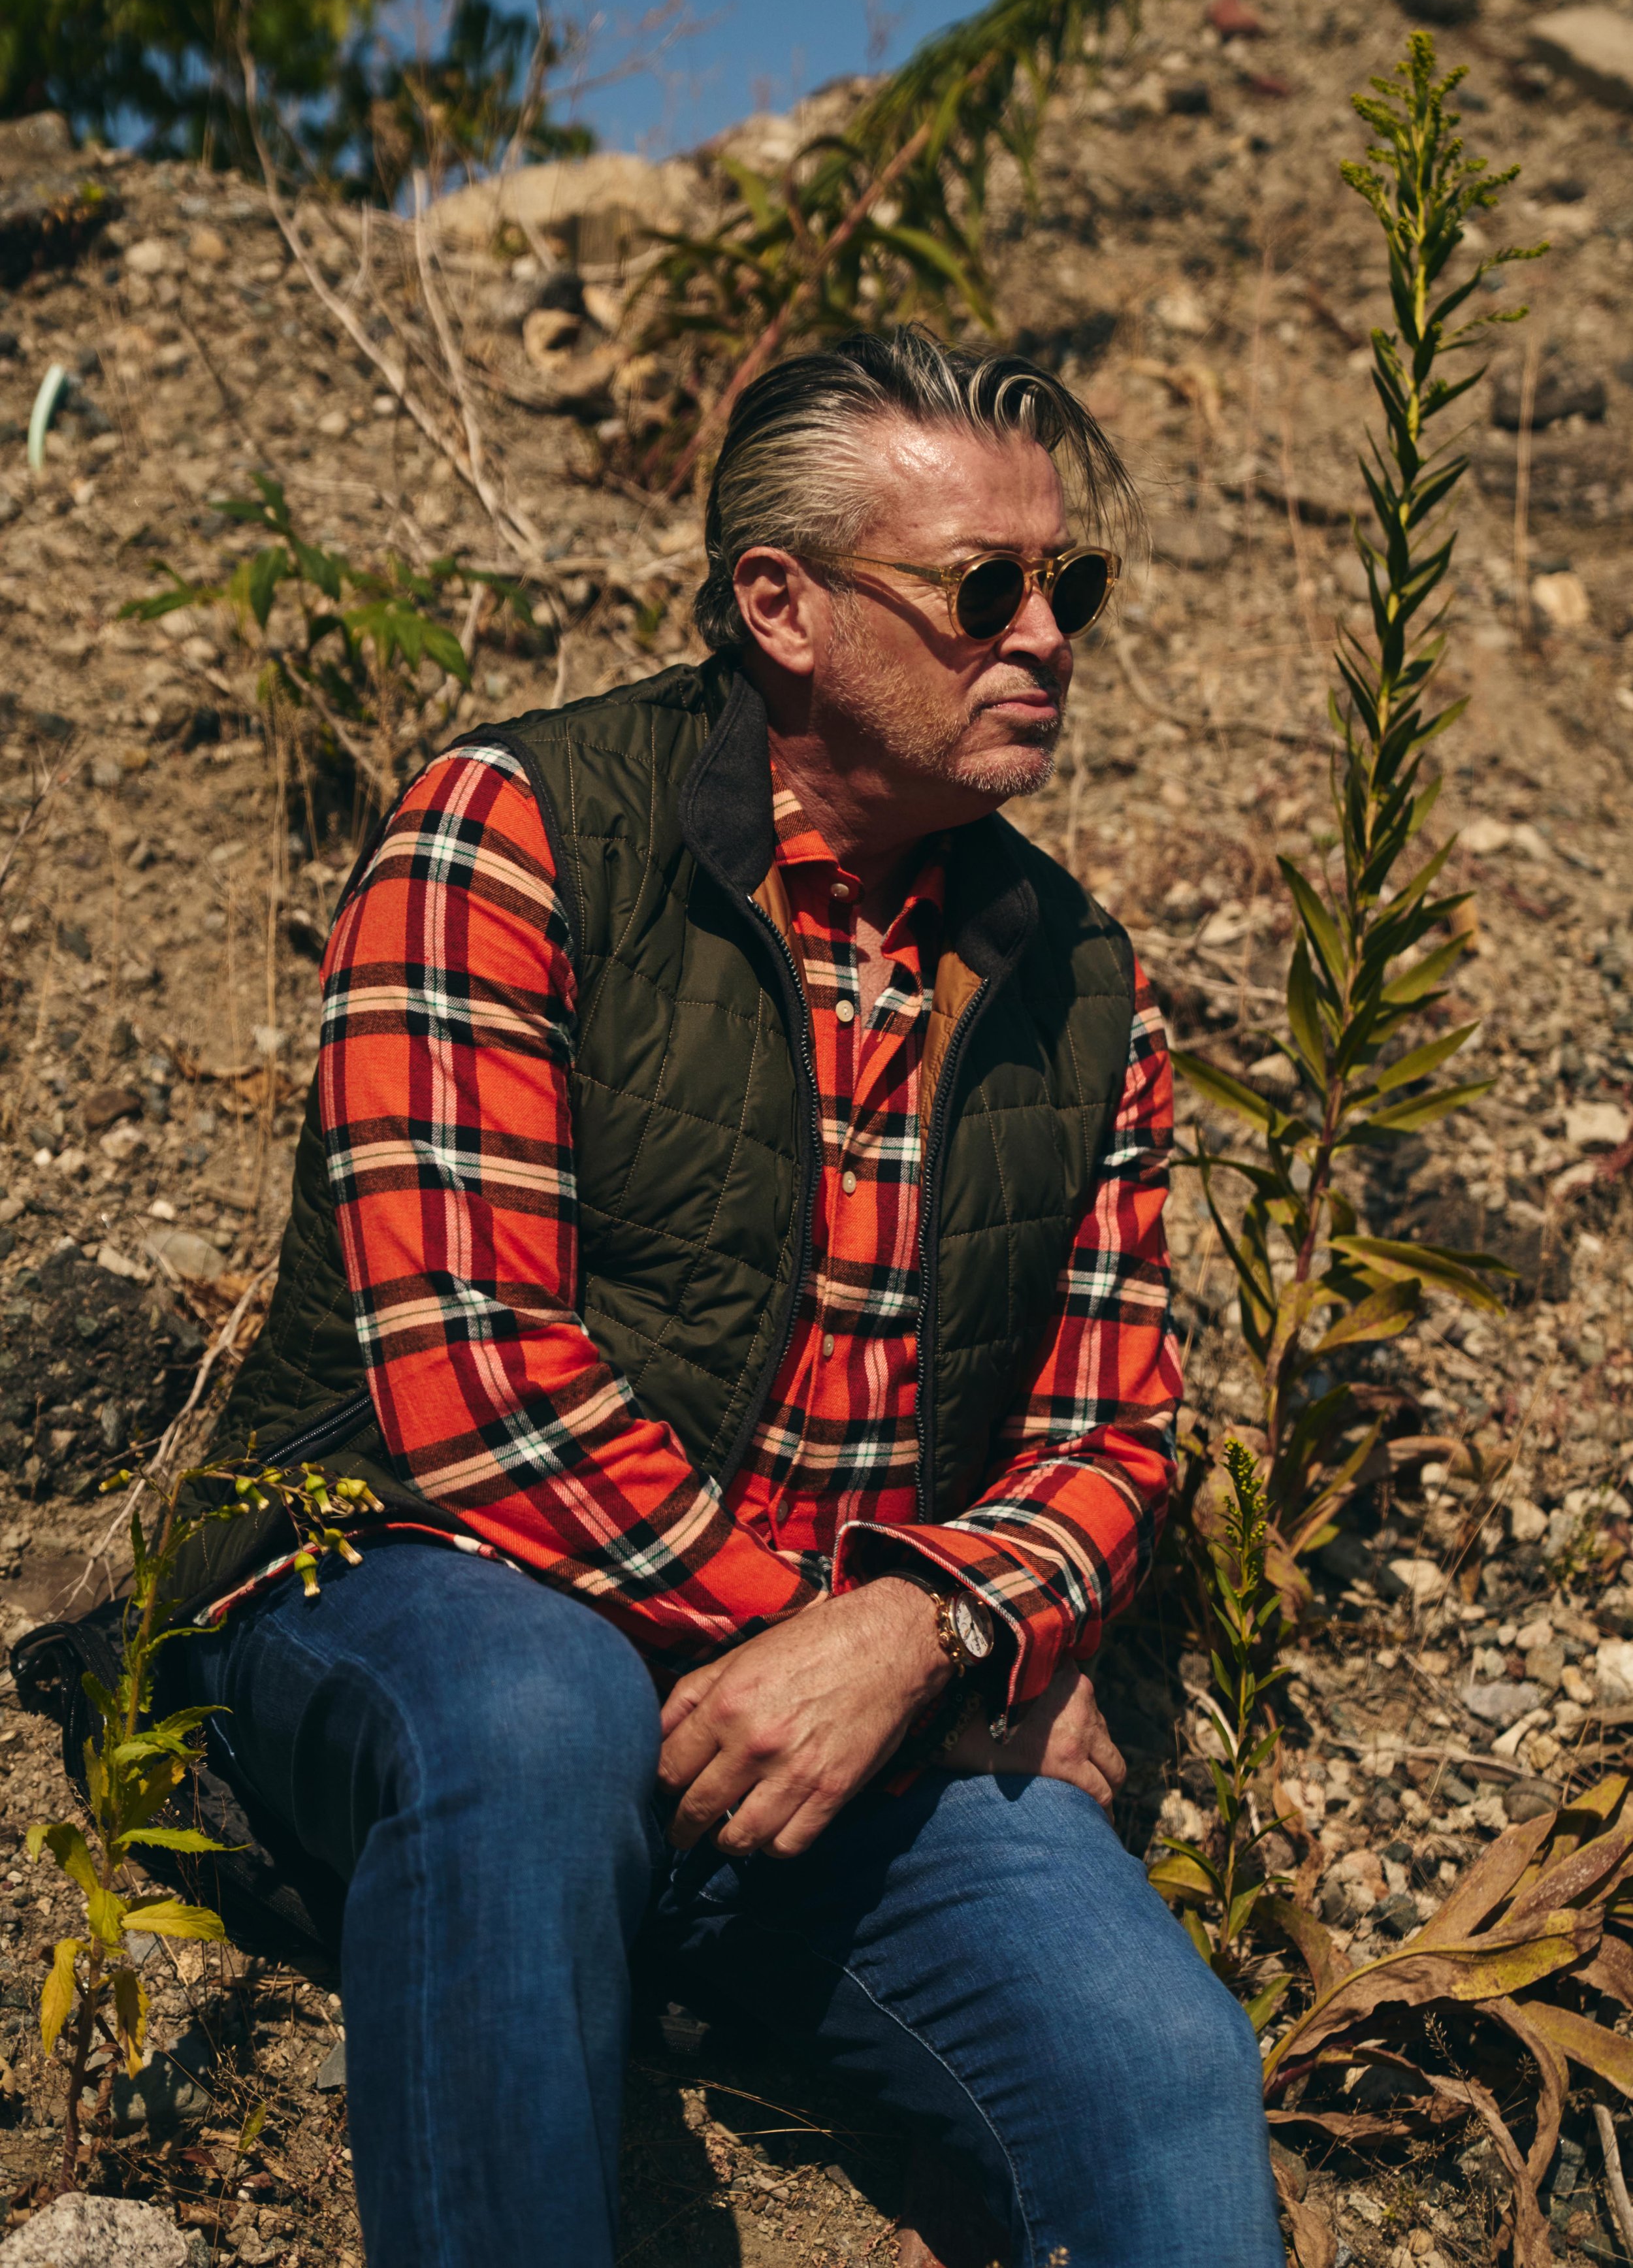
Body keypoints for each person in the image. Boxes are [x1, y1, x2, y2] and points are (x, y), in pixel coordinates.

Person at [175, 329, 1285, 2267]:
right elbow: (476, 1391)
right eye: (981, 590)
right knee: (527, 1715)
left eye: (1066, 585)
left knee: (1161, 2063)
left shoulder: (1078, 982)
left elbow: (1113, 1431)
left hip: (848, 1702)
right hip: (420, 1595)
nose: (1046, 637)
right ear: (776, 603)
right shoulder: (510, 837)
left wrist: (928, 1636)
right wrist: (886, 1655)